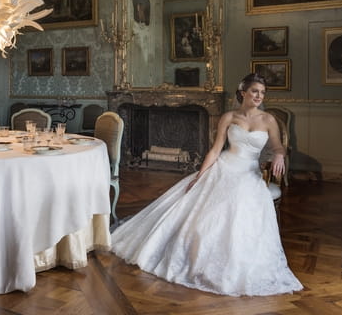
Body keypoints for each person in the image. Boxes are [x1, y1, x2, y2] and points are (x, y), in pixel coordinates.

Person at [111, 73, 303, 296]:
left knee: (240, 202)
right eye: (254, 91)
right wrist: (199, 175)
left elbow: (278, 146)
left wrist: (279, 155)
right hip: (224, 166)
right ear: (243, 93)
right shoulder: (229, 117)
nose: (259, 96)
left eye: (262, 92)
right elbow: (215, 149)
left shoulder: (268, 120)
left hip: (248, 172)